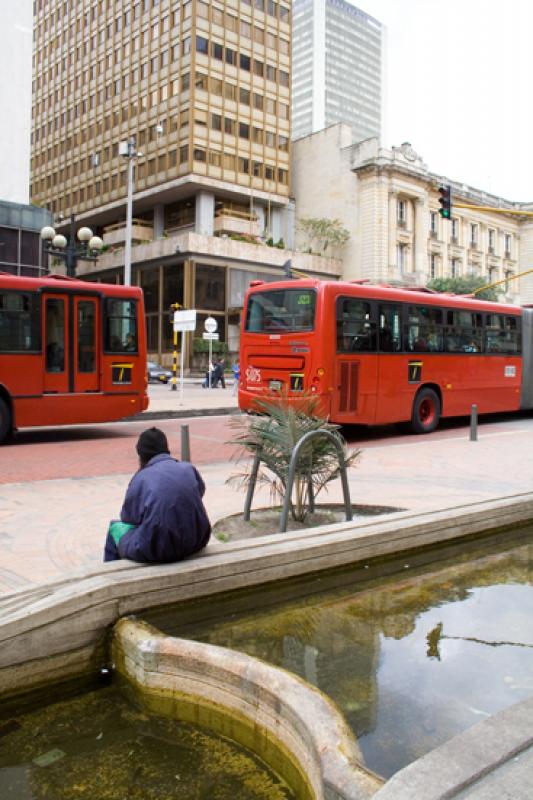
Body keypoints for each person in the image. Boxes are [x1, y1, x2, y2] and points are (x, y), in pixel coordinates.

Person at [103, 427, 211, 563]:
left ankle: (114, 578)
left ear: (141, 454)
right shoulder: (188, 468)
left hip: (159, 549)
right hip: (197, 540)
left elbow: (128, 518)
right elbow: (199, 492)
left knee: (115, 529)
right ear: (166, 449)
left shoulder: (141, 478)